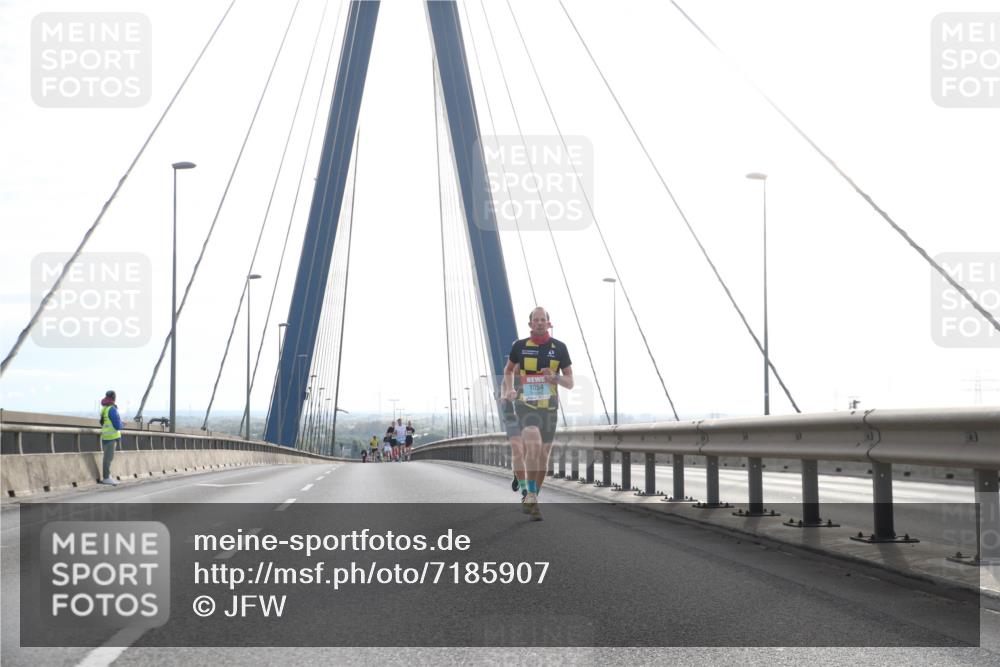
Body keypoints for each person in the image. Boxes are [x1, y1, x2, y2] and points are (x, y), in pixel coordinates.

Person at [502, 307, 573, 520]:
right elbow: (508, 370)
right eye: (536, 319)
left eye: (543, 319)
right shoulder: (520, 346)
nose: (540, 322)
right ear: (530, 324)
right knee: (531, 444)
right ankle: (529, 492)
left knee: (543, 457)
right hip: (526, 406)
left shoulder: (560, 348)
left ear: (549, 323)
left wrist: (556, 378)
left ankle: (532, 498)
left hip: (549, 408)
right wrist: (509, 390)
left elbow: (570, 382)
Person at [98, 390, 123, 486]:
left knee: (107, 458)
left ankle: (107, 476)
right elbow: (117, 425)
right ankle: (106, 478)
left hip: (105, 436)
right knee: (108, 458)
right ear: (114, 398)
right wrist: (122, 425)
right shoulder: (112, 409)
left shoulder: (104, 409)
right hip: (111, 437)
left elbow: (102, 422)